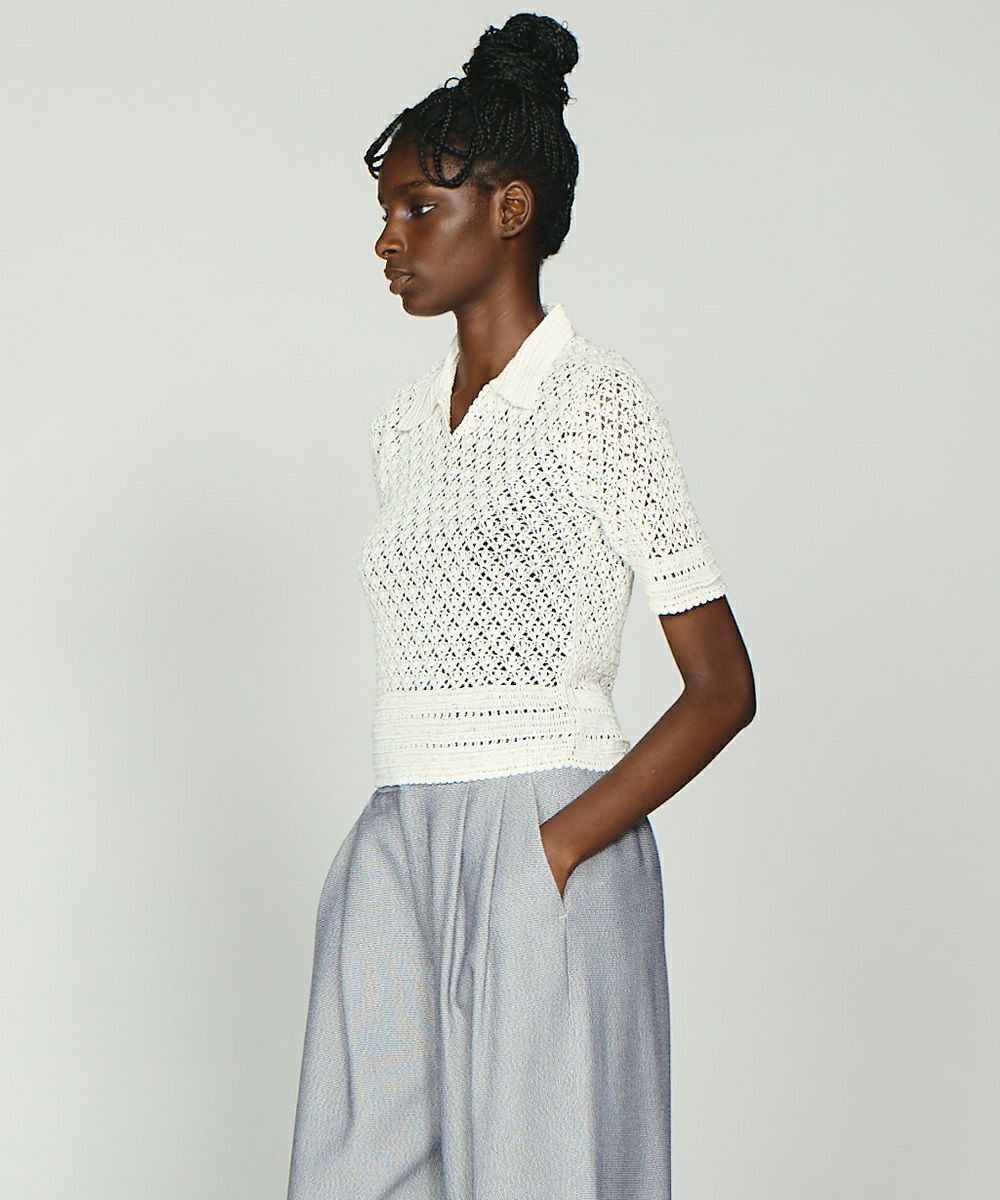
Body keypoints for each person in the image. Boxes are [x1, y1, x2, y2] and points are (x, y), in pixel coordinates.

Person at [287, 13, 756, 1199]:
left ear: (510, 210)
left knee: (545, 1172)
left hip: (548, 829)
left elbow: (721, 689)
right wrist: (394, 844)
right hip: (396, 832)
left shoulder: (597, 404)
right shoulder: (402, 427)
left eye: (417, 208)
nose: (386, 238)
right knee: (356, 1173)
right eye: (385, 210)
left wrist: (556, 847)